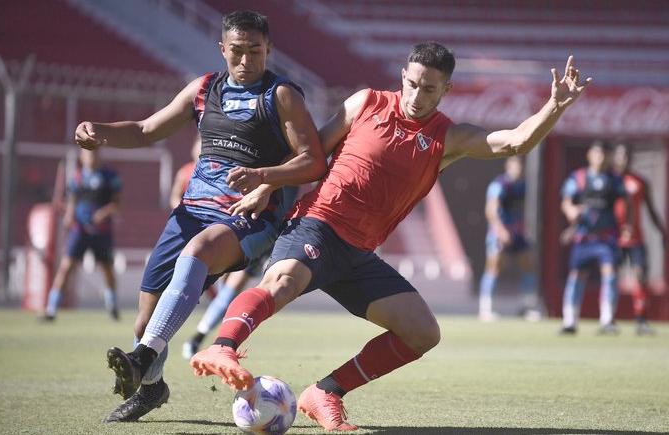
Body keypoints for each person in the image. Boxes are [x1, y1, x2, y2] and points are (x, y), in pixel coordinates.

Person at [188, 44, 592, 431]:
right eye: (413, 83)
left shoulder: (447, 137)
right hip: (318, 223)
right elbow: (312, 157)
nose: (417, 94)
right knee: (282, 282)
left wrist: (554, 106)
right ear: (403, 76)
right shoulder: (365, 102)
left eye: (430, 88)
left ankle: (324, 392)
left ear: (446, 91)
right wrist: (267, 182)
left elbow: (515, 141)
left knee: (423, 332)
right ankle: (223, 345)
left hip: (359, 253)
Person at [74, 10, 327, 423]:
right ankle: (151, 386)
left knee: (200, 250)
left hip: (249, 217)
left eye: (256, 52)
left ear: (270, 50)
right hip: (191, 211)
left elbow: (313, 161)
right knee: (145, 321)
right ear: (222, 49)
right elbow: (144, 130)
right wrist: (98, 128)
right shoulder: (204, 89)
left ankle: (141, 358)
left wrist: (264, 179)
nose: (246, 62)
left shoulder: (281, 95)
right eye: (238, 52)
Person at [40, 148, 121, 322]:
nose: (92, 157)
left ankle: (112, 305)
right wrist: (69, 216)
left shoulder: (110, 176)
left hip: (102, 232)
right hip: (80, 230)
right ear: (82, 157)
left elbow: (117, 204)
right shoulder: (77, 177)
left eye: (95, 153)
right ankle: (51, 309)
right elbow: (72, 201)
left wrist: (103, 214)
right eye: (88, 154)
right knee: (66, 267)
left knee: (107, 270)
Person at [559, 141, 631, 335]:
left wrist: (626, 226)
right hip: (583, 238)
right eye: (597, 153)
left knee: (610, 274)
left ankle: (607, 319)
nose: (600, 157)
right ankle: (570, 320)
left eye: (604, 154)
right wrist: (571, 210)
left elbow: (625, 204)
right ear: (589, 155)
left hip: (606, 238)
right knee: (576, 276)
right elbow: (566, 202)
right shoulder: (579, 177)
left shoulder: (615, 180)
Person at [611, 143, 668, 335]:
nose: (623, 159)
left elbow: (651, 210)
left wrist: (662, 231)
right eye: (620, 155)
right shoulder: (609, 180)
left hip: (636, 238)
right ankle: (608, 318)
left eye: (627, 155)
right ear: (614, 157)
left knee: (640, 275)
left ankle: (641, 319)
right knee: (610, 277)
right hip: (613, 238)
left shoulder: (640, 182)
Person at [478, 156, 540, 322]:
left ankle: (526, 307)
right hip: (499, 232)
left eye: (520, 165)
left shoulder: (523, 185)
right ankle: (485, 309)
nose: (517, 168)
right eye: (514, 165)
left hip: (517, 233)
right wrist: (500, 230)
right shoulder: (499, 185)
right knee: (494, 267)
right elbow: (491, 209)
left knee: (529, 264)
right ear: (508, 166)